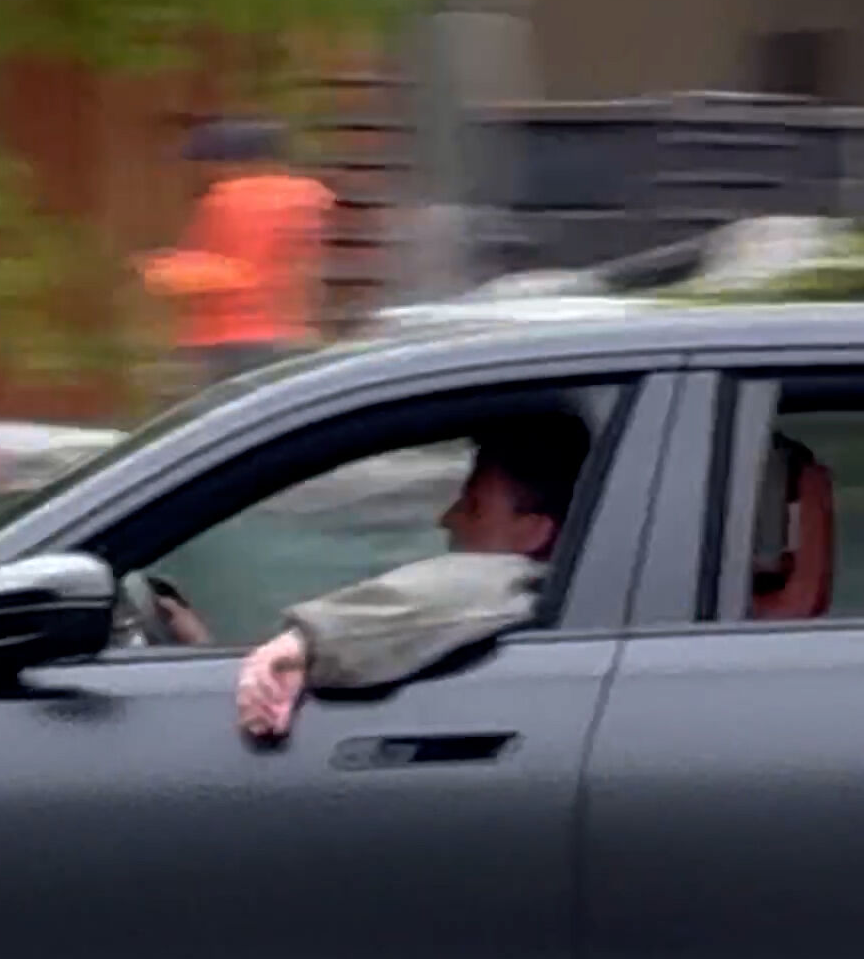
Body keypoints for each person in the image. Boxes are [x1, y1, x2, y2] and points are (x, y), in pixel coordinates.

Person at [208, 408, 591, 743]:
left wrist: (303, 646)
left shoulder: (527, 589)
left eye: (473, 506)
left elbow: (479, 585)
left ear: (534, 532)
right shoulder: (570, 613)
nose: (447, 518)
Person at [138, 117, 330, 389]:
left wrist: (165, 271)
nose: (203, 171)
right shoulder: (307, 200)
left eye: (206, 162)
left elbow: (238, 269)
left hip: (232, 338)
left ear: (233, 162)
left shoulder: (234, 200)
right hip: (290, 335)